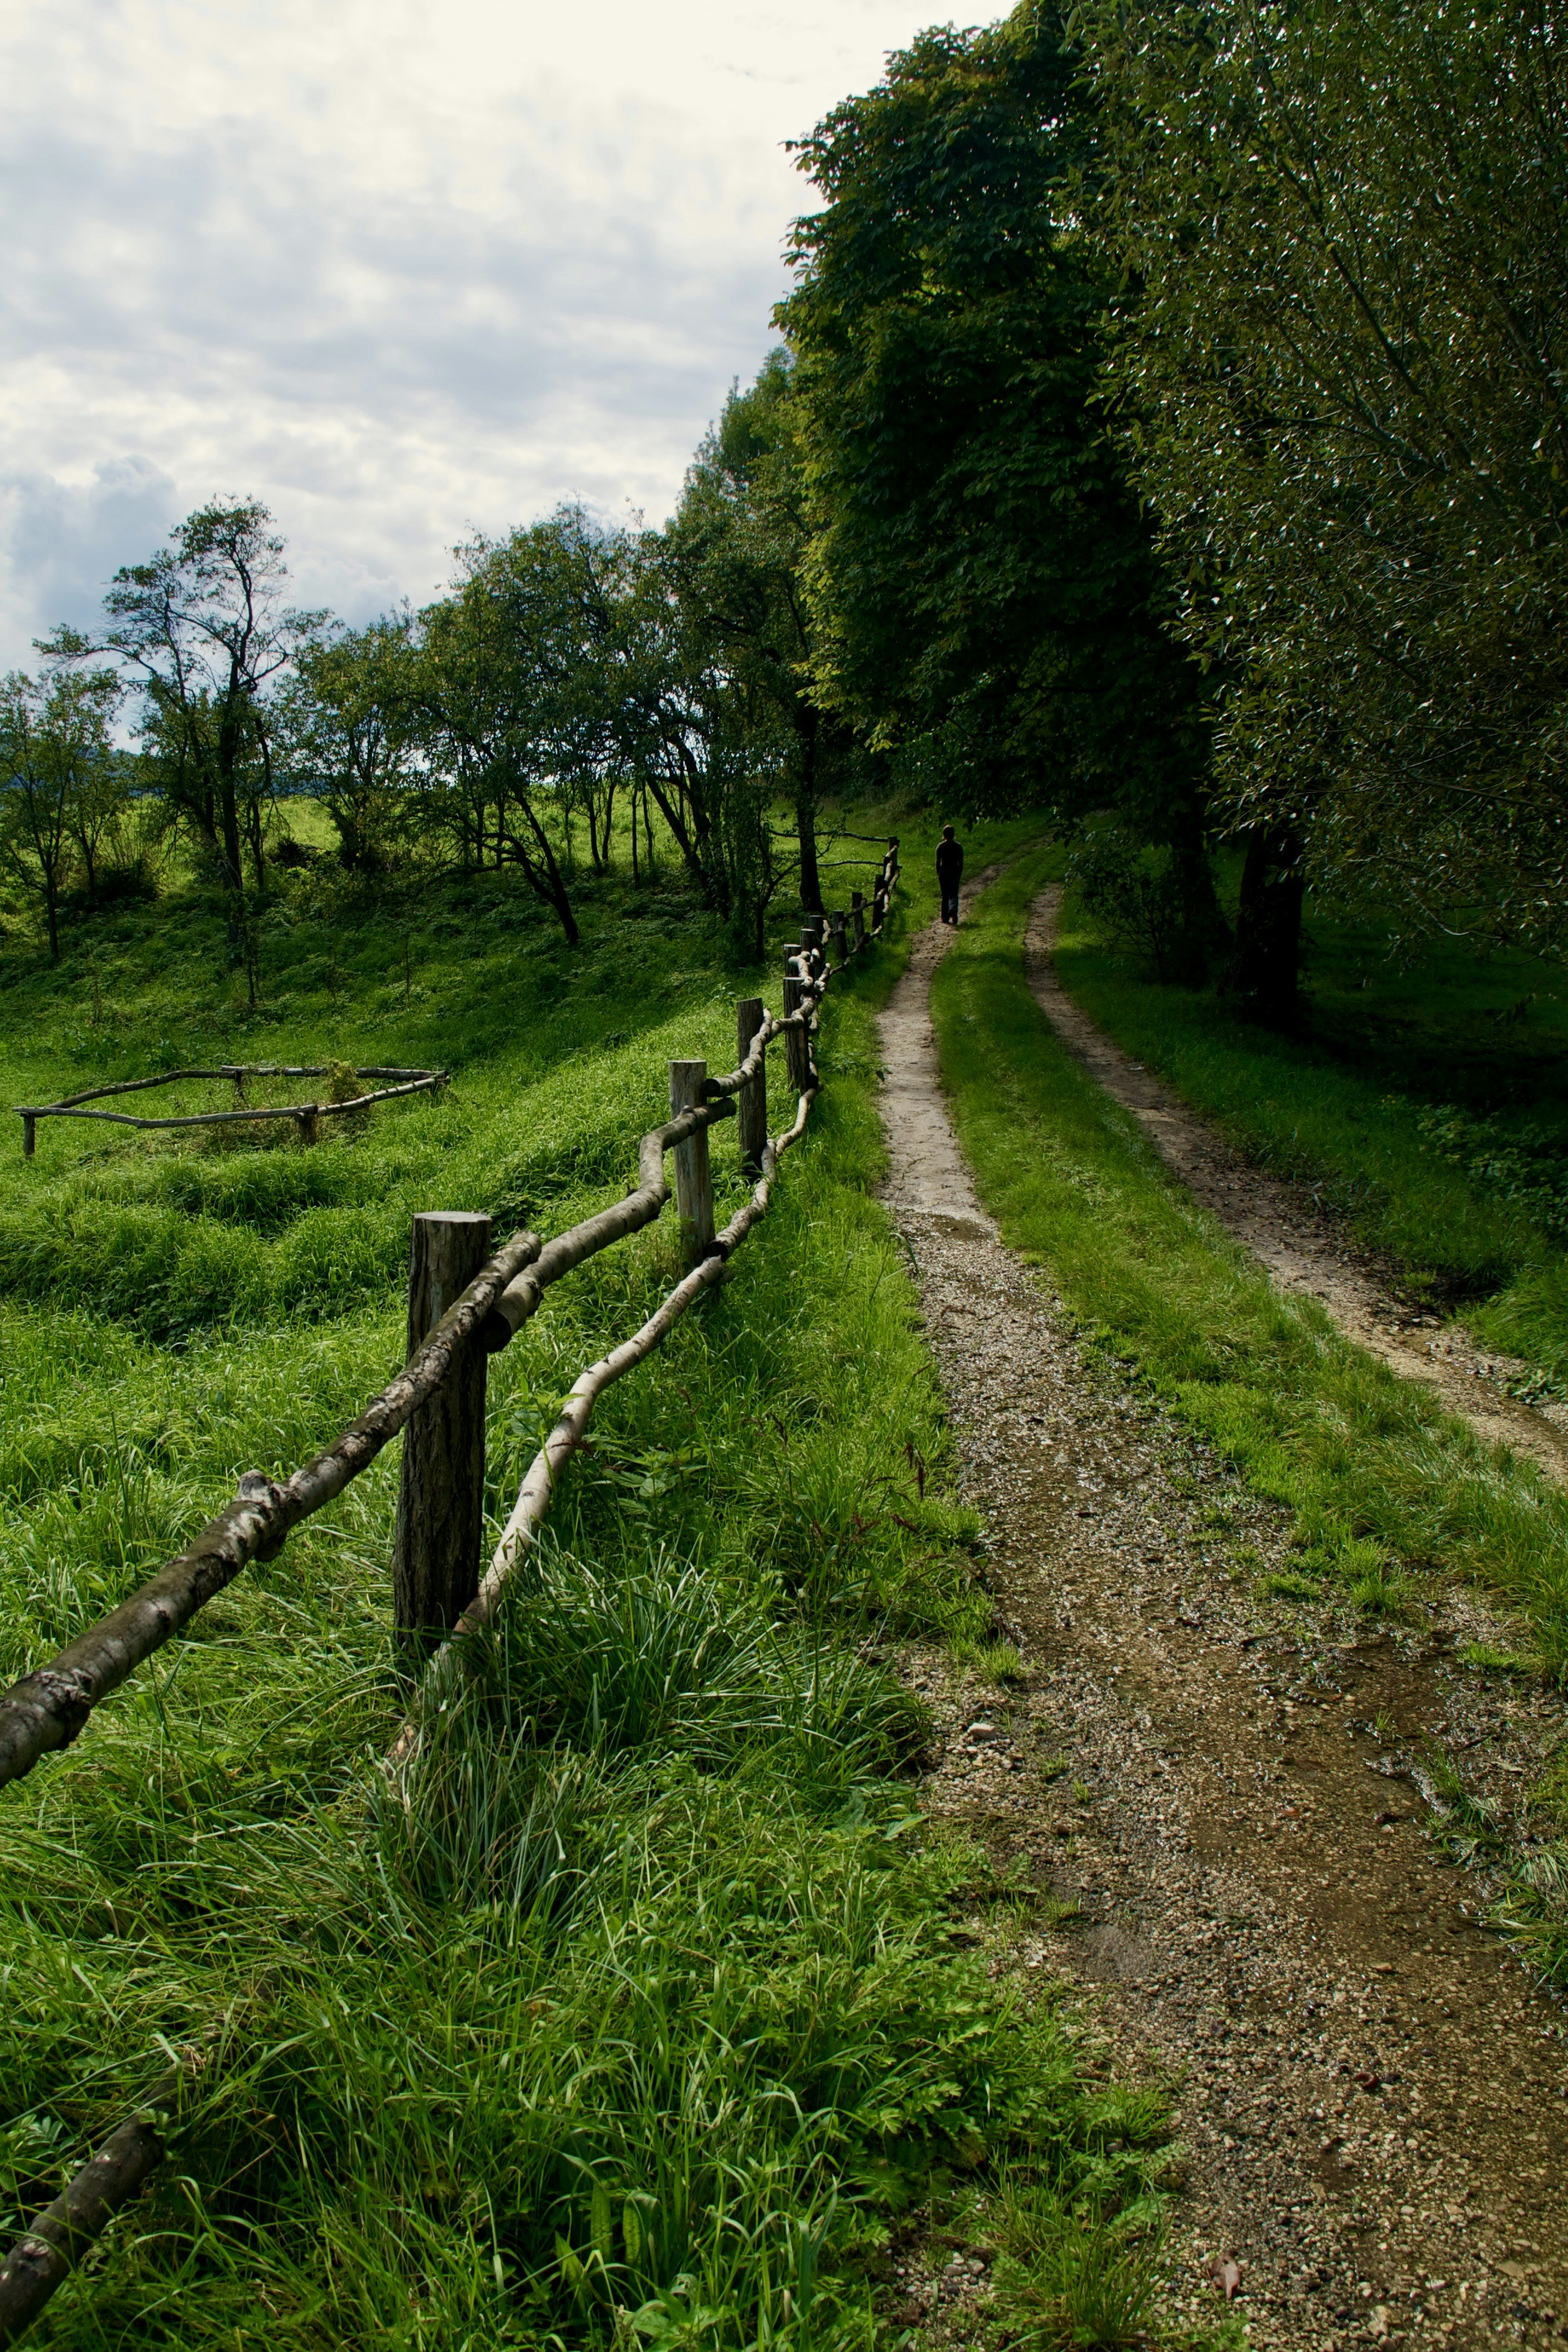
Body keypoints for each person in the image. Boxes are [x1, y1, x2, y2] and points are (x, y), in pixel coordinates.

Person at [936, 825, 964, 926]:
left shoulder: (940, 847)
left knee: (945, 895)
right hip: (954, 871)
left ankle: (945, 917)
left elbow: (938, 862)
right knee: (954, 893)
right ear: (953, 835)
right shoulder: (958, 847)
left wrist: (938, 872)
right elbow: (961, 863)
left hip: (944, 872)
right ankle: (953, 909)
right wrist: (959, 873)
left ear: (944, 835)